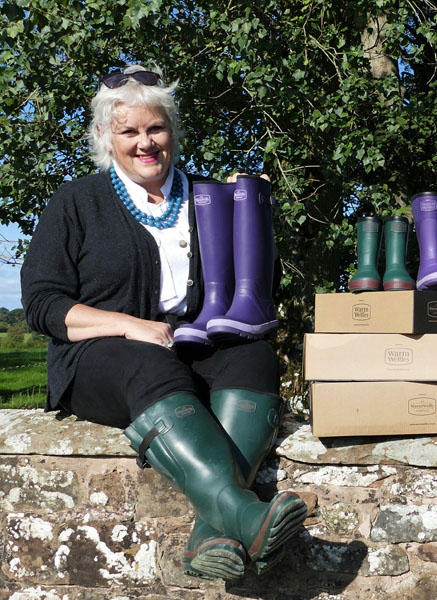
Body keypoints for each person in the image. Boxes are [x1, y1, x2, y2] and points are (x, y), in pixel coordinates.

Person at [20, 65, 306, 581]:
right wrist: (127, 324)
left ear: (172, 130)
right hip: (101, 357)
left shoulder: (210, 196)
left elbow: (262, 289)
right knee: (149, 364)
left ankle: (211, 534)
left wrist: (254, 216)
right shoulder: (75, 203)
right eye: (129, 132)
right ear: (105, 136)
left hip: (194, 345)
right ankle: (245, 512)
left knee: (253, 358)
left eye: (155, 128)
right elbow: (42, 304)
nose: (145, 143)